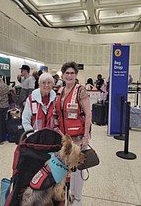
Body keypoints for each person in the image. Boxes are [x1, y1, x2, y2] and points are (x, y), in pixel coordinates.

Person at [55, 61, 91, 206]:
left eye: (72, 73)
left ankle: (77, 199)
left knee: (77, 170)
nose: (69, 75)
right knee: (66, 168)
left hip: (78, 138)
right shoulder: (60, 91)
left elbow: (88, 114)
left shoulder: (80, 90)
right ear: (62, 75)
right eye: (67, 73)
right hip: (65, 139)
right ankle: (67, 196)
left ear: (76, 75)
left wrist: (86, 136)